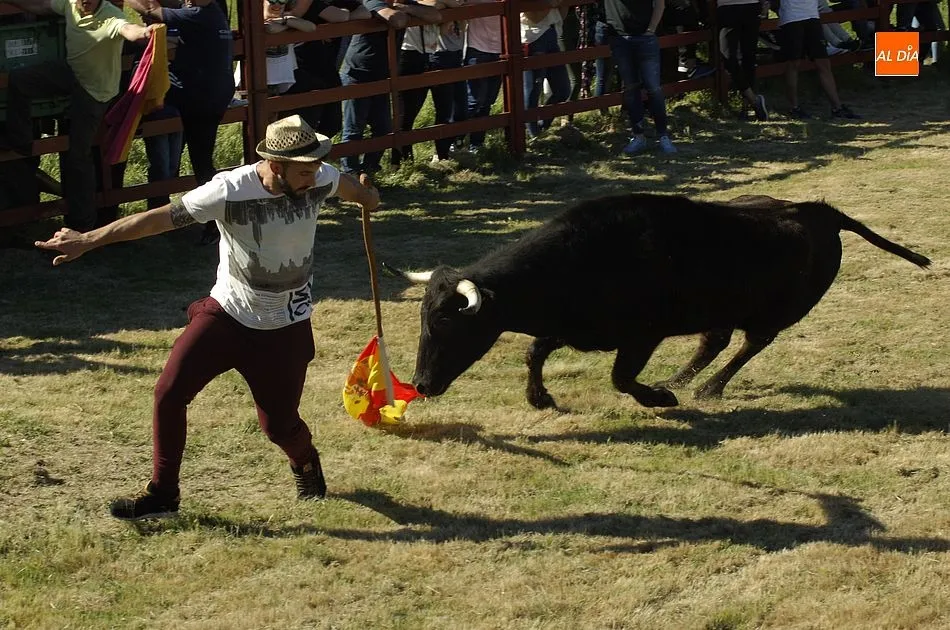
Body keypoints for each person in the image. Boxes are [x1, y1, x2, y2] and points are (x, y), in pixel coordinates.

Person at [34, 115, 381, 520]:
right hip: (228, 315)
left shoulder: (319, 175)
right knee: (168, 392)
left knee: (279, 426)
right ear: (275, 165)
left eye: (316, 168)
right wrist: (89, 240)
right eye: (304, 171)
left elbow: (349, 187)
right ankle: (164, 494)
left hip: (285, 325)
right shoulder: (228, 190)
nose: (314, 178)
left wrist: (369, 199)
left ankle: (305, 462)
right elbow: (156, 219)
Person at [0, 0, 156, 231]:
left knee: (78, 156)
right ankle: (21, 140)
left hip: (94, 91)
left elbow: (127, 29)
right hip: (73, 72)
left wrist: (144, 31)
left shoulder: (109, 16)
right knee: (20, 80)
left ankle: (83, 225)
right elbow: (41, 7)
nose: (83, 2)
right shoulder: (70, 3)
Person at [339, 0, 441, 175]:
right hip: (358, 72)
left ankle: (369, 171)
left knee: (383, 128)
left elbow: (436, 15)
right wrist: (404, 10)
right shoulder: (372, 1)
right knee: (354, 129)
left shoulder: (403, 3)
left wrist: (406, 7)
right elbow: (396, 19)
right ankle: (350, 175)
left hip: (381, 74)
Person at [604, 0, 678, 154]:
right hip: (620, 38)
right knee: (631, 89)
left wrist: (651, 30)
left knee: (653, 88)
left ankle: (662, 136)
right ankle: (638, 135)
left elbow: (660, 3)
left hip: (644, 38)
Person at [778, 0, 860, 119]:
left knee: (823, 62)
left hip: (812, 16)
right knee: (794, 63)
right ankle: (794, 107)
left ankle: (837, 107)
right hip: (792, 17)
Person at [717, 0, 769, 120]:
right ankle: (754, 100)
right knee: (728, 57)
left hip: (751, 6)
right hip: (726, 8)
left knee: (749, 57)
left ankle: (745, 108)